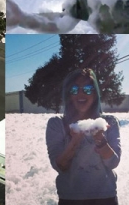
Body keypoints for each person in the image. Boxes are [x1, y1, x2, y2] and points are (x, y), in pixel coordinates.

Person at [46, 68, 121, 205]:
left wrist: (100, 140)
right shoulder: (56, 124)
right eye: (74, 89)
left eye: (87, 89)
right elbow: (60, 166)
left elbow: (113, 163)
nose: (80, 93)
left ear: (95, 93)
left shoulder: (109, 122)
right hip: (70, 198)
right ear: (68, 94)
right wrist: (74, 142)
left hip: (105, 198)